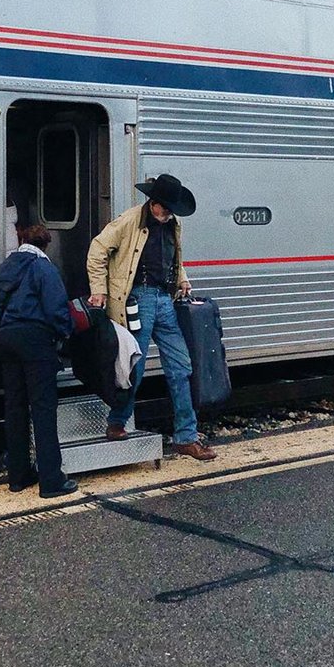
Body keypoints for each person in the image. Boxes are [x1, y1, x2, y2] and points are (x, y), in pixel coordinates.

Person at [86, 173, 217, 461]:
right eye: (166, 208)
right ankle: (117, 421)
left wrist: (182, 277)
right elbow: (97, 250)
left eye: (173, 209)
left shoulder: (173, 223)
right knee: (136, 364)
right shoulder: (130, 220)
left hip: (165, 300)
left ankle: (186, 436)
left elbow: (174, 258)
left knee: (181, 366)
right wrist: (99, 290)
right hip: (139, 299)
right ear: (153, 203)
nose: (170, 213)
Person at [0, 224, 78, 498]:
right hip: (34, 339)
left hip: (6, 339)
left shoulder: (7, 266)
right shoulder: (43, 267)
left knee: (15, 408)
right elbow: (56, 308)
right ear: (45, 245)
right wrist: (65, 335)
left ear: (21, 241)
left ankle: (18, 476)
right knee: (42, 409)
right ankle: (51, 481)